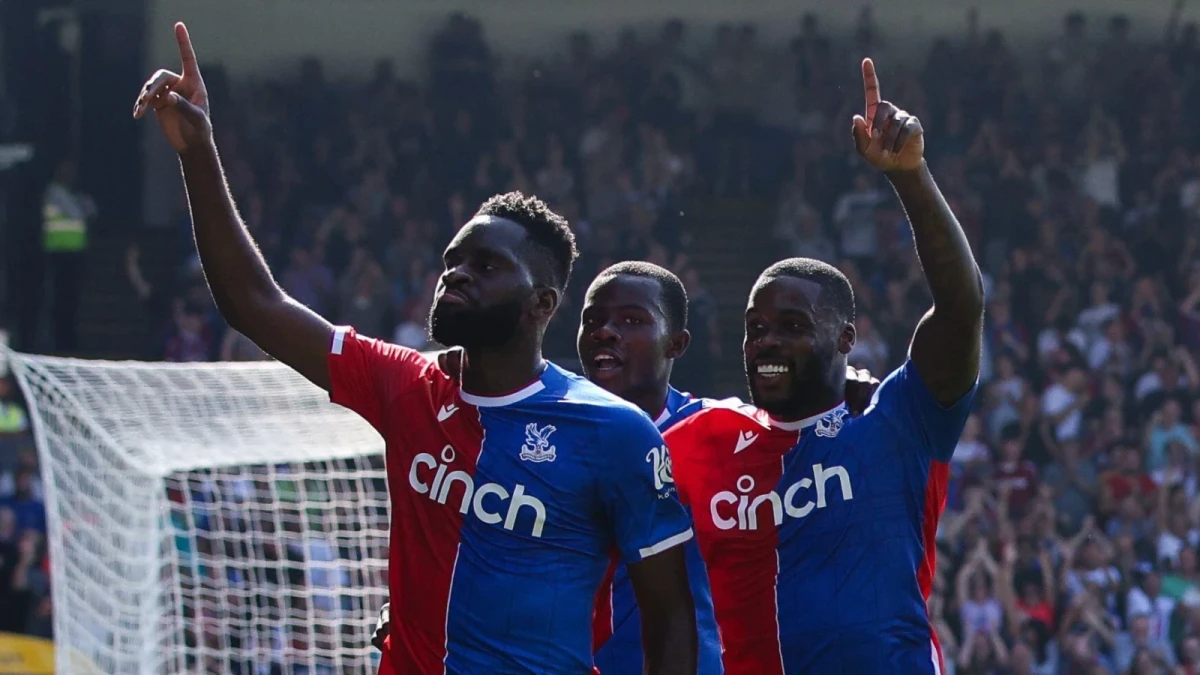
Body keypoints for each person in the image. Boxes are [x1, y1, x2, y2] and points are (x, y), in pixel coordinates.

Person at [134, 23, 698, 675]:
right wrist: (198, 152)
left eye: (487, 266)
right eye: (453, 259)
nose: (456, 273)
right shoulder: (406, 385)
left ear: (542, 305)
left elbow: (670, 620)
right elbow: (254, 305)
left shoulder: (614, 431)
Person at [373, 260, 883, 673]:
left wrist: (849, 383)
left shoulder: (718, 432)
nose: (605, 334)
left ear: (676, 344)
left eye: (631, 321)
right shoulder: (546, 432)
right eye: (593, 321)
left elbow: (796, 420)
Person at [663, 58, 984, 673]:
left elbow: (962, 306)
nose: (767, 344)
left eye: (791, 327)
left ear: (846, 339)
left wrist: (910, 176)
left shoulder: (897, 421)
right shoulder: (700, 441)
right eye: (755, 329)